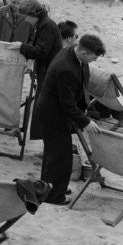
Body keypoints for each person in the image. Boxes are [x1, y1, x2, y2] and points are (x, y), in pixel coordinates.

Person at [32, 33, 105, 205]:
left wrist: (85, 110)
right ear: (84, 53)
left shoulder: (73, 53)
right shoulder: (66, 68)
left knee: (54, 154)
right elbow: (67, 104)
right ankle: (53, 196)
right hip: (53, 114)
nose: (94, 61)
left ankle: (52, 187)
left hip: (54, 111)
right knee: (60, 157)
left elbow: (79, 84)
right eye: (93, 58)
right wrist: (86, 122)